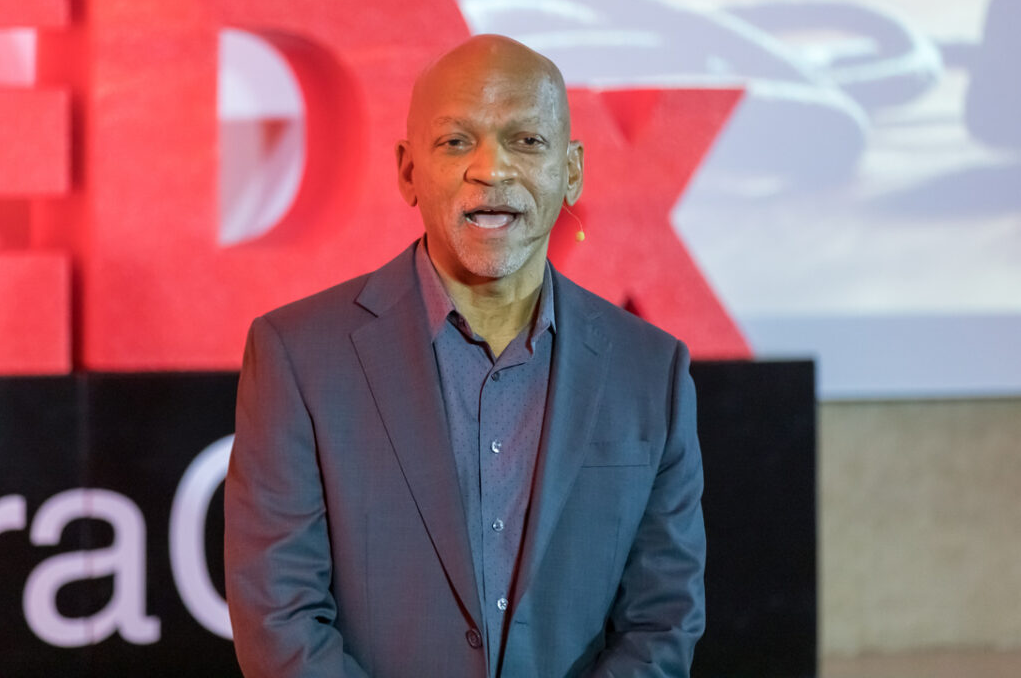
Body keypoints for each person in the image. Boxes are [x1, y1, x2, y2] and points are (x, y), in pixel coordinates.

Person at [224, 34, 705, 678]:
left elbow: (664, 619)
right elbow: (279, 616)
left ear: (571, 171)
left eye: (526, 141)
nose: (492, 169)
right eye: (456, 142)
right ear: (407, 170)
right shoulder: (298, 356)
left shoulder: (653, 371)